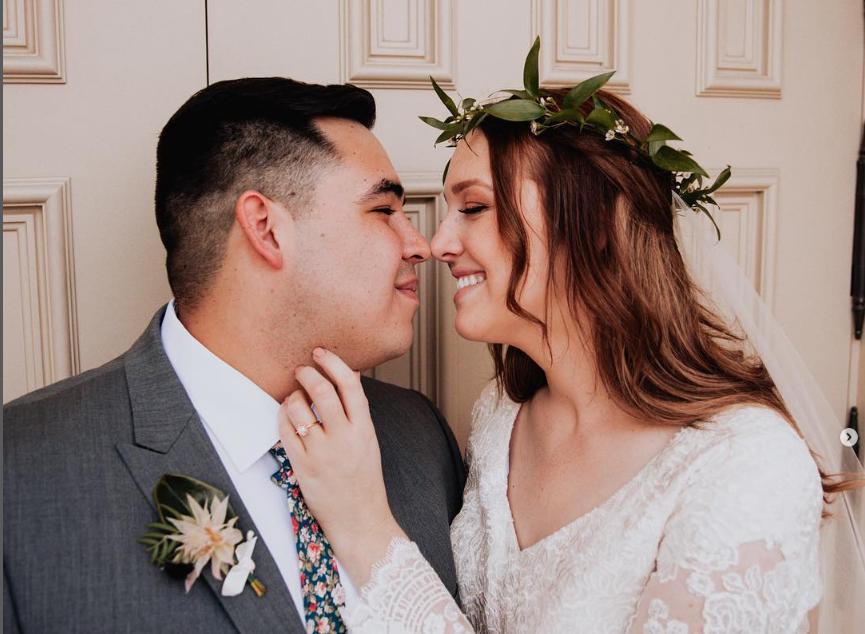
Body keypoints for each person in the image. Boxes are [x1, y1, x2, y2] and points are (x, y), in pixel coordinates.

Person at [270, 48, 865, 632]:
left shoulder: (748, 463)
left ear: (595, 224)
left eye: (474, 207)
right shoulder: (499, 417)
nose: (439, 243)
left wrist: (366, 530)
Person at [3, 77, 465, 633]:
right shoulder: (21, 471)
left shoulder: (419, 435)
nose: (420, 245)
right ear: (266, 229)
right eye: (384, 209)